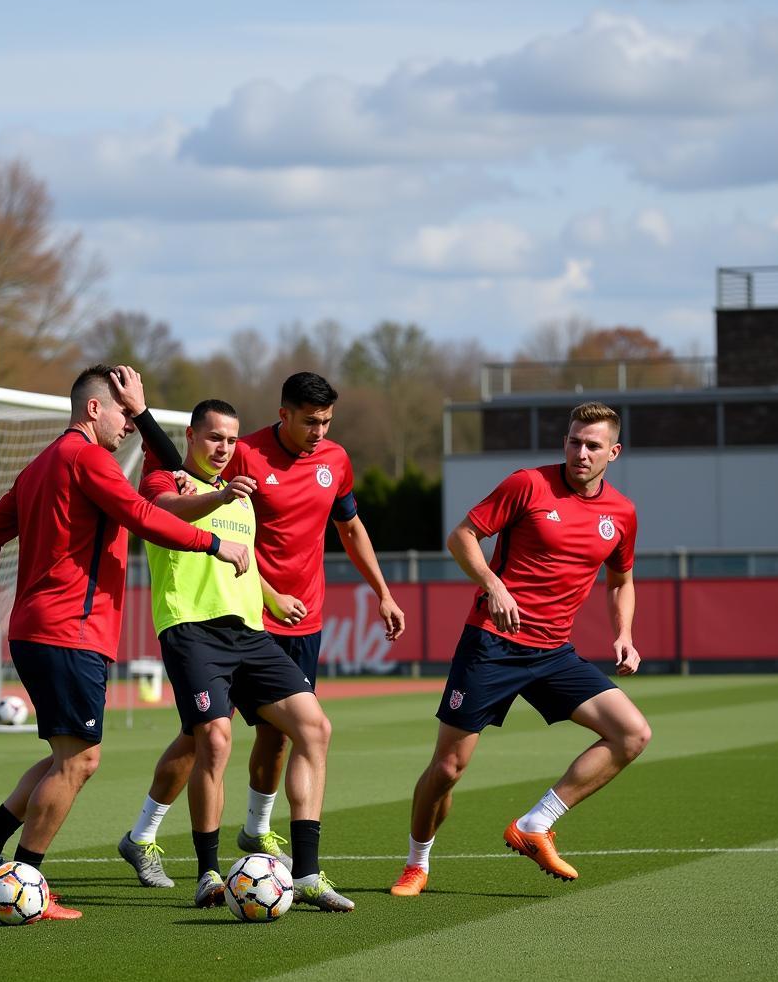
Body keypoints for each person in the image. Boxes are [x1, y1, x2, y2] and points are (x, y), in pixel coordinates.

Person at [0, 365, 249, 921]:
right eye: (121, 413)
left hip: (40, 629)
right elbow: (142, 514)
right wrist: (213, 544)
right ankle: (22, 885)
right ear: (94, 409)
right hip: (71, 630)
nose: (128, 427)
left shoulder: (40, 465)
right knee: (81, 761)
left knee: (64, 755)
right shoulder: (89, 459)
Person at [118, 372, 405, 887]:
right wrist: (142, 415)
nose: (319, 431)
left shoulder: (328, 463)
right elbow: (177, 480)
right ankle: (151, 837)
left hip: (283, 618)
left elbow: (348, 527)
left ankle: (260, 835)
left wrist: (380, 591)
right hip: (212, 622)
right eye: (311, 421)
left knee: (283, 734)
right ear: (284, 414)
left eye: (327, 422)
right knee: (205, 738)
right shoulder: (235, 464)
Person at [390, 401, 652, 896]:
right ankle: (416, 863)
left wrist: (624, 633)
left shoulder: (621, 513)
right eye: (574, 441)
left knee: (632, 734)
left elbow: (621, 581)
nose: (581, 452)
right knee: (448, 767)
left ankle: (536, 823)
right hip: (492, 644)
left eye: (593, 445)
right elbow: (462, 536)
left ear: (613, 452)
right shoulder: (527, 484)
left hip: (554, 653)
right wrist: (494, 583)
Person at [139, 397, 353, 910]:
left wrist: (273, 596)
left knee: (314, 728)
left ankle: (306, 873)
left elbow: (246, 562)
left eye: (231, 440)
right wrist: (214, 496)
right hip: (191, 628)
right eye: (214, 437)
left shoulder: (237, 499)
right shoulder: (166, 484)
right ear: (190, 436)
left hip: (250, 633)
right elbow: (165, 514)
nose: (224, 448)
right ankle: (209, 874)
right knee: (214, 740)